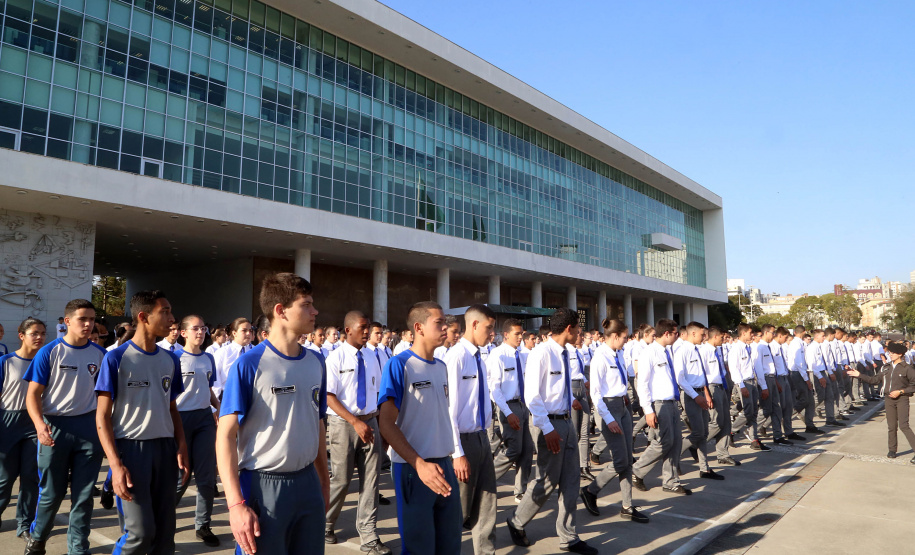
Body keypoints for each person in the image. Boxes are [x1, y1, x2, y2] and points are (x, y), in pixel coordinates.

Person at [217, 273, 329, 555]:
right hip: (263, 486)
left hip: (307, 483)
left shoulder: (316, 362)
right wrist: (235, 505)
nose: (314, 311)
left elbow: (318, 425)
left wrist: (323, 484)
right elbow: (225, 436)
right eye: (306, 304)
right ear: (280, 310)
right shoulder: (249, 364)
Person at [95, 290, 190, 554]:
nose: (172, 318)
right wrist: (115, 464)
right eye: (166, 311)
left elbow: (172, 409)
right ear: (143, 316)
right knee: (140, 532)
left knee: (164, 533)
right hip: (131, 451)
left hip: (165, 450)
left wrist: (181, 446)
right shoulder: (116, 358)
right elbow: (102, 416)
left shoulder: (170, 359)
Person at [506, 307, 598, 555]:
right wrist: (547, 429)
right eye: (578, 329)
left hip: (566, 421)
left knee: (570, 480)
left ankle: (568, 536)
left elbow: (558, 389)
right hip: (549, 424)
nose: (580, 333)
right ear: (569, 329)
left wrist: (571, 403)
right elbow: (532, 396)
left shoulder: (566, 353)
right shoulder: (542, 354)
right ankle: (516, 521)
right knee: (547, 481)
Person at [22, 300, 106, 555]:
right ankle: (37, 541)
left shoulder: (100, 354)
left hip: (89, 429)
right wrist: (39, 425)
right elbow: (32, 395)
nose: (89, 324)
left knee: (83, 497)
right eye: (83, 319)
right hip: (55, 428)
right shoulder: (49, 352)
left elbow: (106, 397)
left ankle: (78, 549)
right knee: (51, 494)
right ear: (67, 321)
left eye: (91, 319)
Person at [378, 301, 462, 555]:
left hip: (444, 465)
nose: (446, 328)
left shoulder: (442, 366)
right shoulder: (399, 365)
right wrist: (418, 463)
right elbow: (385, 423)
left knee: (449, 544)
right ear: (419, 328)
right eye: (439, 323)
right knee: (419, 548)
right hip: (414, 470)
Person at [324, 311, 390, 554]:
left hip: (370, 422)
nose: (366, 331)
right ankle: (327, 522)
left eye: (368, 327)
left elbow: (379, 393)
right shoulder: (335, 358)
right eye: (362, 327)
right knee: (341, 480)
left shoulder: (373, 357)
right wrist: (354, 421)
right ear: (347, 330)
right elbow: (329, 397)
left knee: (371, 481)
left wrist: (380, 425)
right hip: (343, 425)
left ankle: (369, 535)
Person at [579, 318, 648, 523]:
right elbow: (596, 393)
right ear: (615, 336)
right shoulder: (600, 357)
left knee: (627, 460)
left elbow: (619, 381)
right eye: (625, 337)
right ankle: (591, 490)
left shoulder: (618, 353)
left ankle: (627, 505)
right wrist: (608, 419)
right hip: (608, 408)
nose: (627, 341)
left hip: (622, 405)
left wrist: (625, 398)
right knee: (620, 460)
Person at [444, 304, 498, 554]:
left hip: (480, 436)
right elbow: (450, 409)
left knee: (487, 503)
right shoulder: (456, 357)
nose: (492, 334)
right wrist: (457, 454)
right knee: (459, 509)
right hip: (463, 441)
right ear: (474, 325)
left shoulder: (480, 356)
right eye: (488, 328)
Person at [173, 315, 222, 546]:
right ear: (183, 333)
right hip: (180, 420)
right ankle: (163, 518)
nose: (201, 332)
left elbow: (208, 388)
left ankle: (203, 525)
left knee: (206, 476)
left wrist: (219, 408)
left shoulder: (208, 358)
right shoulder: (174, 358)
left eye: (203, 328)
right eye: (195, 329)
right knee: (182, 476)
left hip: (204, 418)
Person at [632, 319, 691, 495]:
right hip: (659, 404)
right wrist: (648, 410)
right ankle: (637, 470)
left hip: (671, 402)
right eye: (675, 333)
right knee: (663, 443)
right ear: (666, 334)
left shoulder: (668, 352)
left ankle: (670, 480)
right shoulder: (649, 353)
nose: (677, 337)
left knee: (675, 443)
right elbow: (642, 383)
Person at [0, 317, 46, 542]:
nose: (39, 337)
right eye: (34, 333)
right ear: (21, 336)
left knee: (30, 477)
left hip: (34, 424)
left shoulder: (45, 362)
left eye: (43, 333)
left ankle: (24, 524)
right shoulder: (6, 361)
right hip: (7, 423)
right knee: (5, 478)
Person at [487, 318, 534, 504]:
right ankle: (485, 480)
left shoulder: (522, 355)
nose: (520, 337)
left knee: (527, 450)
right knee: (513, 449)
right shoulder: (497, 355)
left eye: (522, 334)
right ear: (505, 335)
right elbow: (495, 389)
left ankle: (520, 490)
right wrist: (507, 412)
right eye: (517, 334)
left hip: (523, 404)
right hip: (508, 406)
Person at [848, 343, 915, 461]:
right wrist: (859, 375)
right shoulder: (886, 367)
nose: (890, 354)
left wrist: (901, 391)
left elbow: (913, 385)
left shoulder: (907, 368)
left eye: (893, 353)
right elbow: (874, 380)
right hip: (888, 399)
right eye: (890, 352)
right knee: (891, 426)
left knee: (904, 426)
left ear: (900, 354)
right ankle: (892, 450)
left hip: (902, 399)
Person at [675, 321, 723, 480]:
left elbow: (700, 375)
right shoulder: (682, 351)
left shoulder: (697, 350)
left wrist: (706, 393)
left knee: (703, 433)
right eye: (702, 334)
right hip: (690, 395)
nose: (705, 337)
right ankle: (673, 456)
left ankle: (705, 469)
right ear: (693, 333)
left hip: (700, 393)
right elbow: (680, 379)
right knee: (697, 433)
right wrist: (696, 396)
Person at [728, 323, 770, 450]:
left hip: (752, 381)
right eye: (751, 333)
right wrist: (741, 385)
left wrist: (763, 385)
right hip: (744, 383)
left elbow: (756, 367)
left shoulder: (750, 348)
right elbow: (734, 369)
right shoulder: (736, 348)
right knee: (748, 412)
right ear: (744, 333)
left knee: (754, 412)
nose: (753, 335)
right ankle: (731, 431)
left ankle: (754, 439)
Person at [701, 327, 739, 465]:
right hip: (711, 387)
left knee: (726, 422)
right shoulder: (704, 351)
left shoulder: (718, 350)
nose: (724, 340)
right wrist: (706, 394)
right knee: (716, 423)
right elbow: (702, 374)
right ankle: (695, 444)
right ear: (715, 337)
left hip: (722, 386)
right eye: (722, 338)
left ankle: (723, 454)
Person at [211, 317, 254, 399]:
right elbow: (216, 380)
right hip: (228, 396)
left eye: (250, 330)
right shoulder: (223, 352)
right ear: (234, 333)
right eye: (244, 330)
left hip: (250, 396)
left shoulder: (254, 352)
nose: (248, 333)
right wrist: (216, 406)